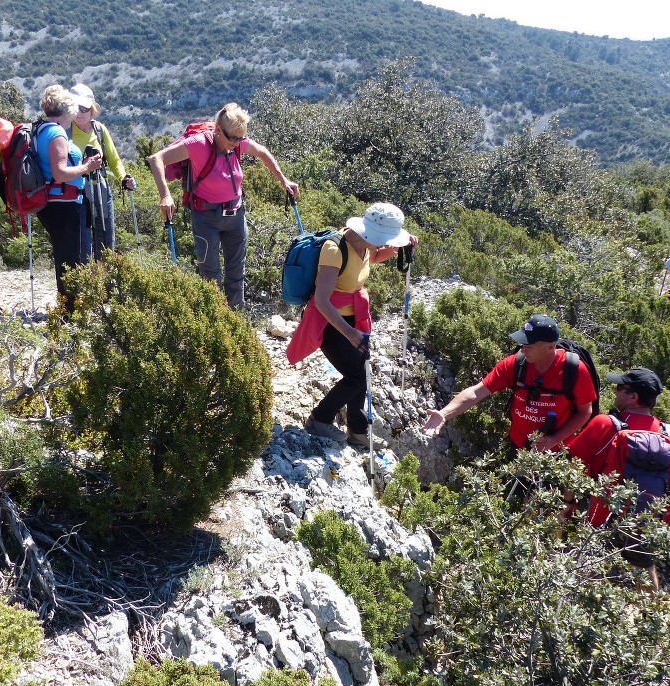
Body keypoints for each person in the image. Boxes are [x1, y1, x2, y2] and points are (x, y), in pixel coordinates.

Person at [286, 203, 417, 450]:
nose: (384, 244)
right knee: (357, 375)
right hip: (328, 321)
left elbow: (377, 256)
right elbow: (322, 301)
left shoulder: (365, 245)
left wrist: (402, 243)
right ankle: (319, 420)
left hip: (351, 317)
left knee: (362, 370)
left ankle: (357, 430)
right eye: (384, 239)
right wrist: (349, 333)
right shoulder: (334, 249)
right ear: (370, 233)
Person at [147, 103, 299, 309]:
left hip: (236, 215)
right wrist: (165, 195)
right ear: (218, 130)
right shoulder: (199, 144)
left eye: (241, 138)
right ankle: (215, 321)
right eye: (233, 138)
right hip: (206, 218)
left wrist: (284, 180)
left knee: (237, 272)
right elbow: (156, 158)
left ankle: (236, 320)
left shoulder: (236, 142)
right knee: (210, 275)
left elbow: (262, 152)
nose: (237, 144)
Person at [566, 368, 670, 589]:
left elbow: (571, 468)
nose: (615, 391)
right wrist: (666, 530)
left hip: (600, 516)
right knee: (643, 570)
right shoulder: (669, 434)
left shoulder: (605, 423)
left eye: (620, 388)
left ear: (633, 397)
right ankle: (651, 617)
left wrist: (566, 504)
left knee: (587, 571)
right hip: (645, 521)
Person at [422, 314, 597, 452]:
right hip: (518, 447)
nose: (522, 349)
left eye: (529, 345)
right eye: (522, 343)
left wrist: (553, 440)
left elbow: (584, 412)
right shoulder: (515, 364)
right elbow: (476, 392)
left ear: (550, 347)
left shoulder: (574, 370)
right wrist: (445, 414)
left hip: (556, 452)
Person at [34, 85, 104, 313]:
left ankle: (68, 309)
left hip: (54, 203)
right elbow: (60, 173)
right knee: (70, 260)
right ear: (67, 109)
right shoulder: (56, 133)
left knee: (67, 257)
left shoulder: (42, 129)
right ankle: (70, 314)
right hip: (64, 205)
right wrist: (87, 166)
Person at [68, 83, 134, 259]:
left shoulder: (99, 130)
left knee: (106, 240)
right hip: (77, 193)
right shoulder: (65, 131)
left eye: (84, 108)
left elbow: (114, 160)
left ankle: (105, 279)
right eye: (75, 107)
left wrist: (123, 177)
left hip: (101, 190)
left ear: (92, 109)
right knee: (83, 242)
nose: (80, 112)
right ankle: (86, 279)